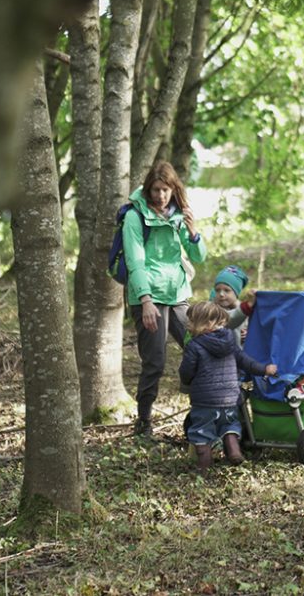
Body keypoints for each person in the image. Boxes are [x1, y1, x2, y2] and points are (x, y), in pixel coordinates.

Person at [123, 160, 208, 437]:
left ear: (173, 190)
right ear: (148, 190)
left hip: (178, 294)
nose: (160, 195)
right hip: (148, 297)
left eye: (165, 190)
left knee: (200, 348)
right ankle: (144, 422)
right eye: (156, 190)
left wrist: (193, 232)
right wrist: (145, 301)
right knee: (155, 362)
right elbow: (135, 262)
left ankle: (204, 413)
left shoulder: (177, 216)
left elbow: (198, 257)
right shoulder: (135, 218)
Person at [178, 302, 277, 470]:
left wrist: (186, 380)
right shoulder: (230, 341)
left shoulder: (194, 346)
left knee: (202, 431)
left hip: (205, 401)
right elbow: (246, 362)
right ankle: (233, 450)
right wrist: (265, 369)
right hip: (230, 397)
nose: (188, 325)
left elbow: (186, 372)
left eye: (191, 321)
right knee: (229, 424)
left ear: (206, 324)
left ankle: (204, 468)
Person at [211, 265, 254, 346]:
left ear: (236, 292)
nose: (221, 294)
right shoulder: (212, 310)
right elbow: (227, 321)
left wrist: (249, 334)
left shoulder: (245, 311)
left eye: (227, 290)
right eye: (217, 290)